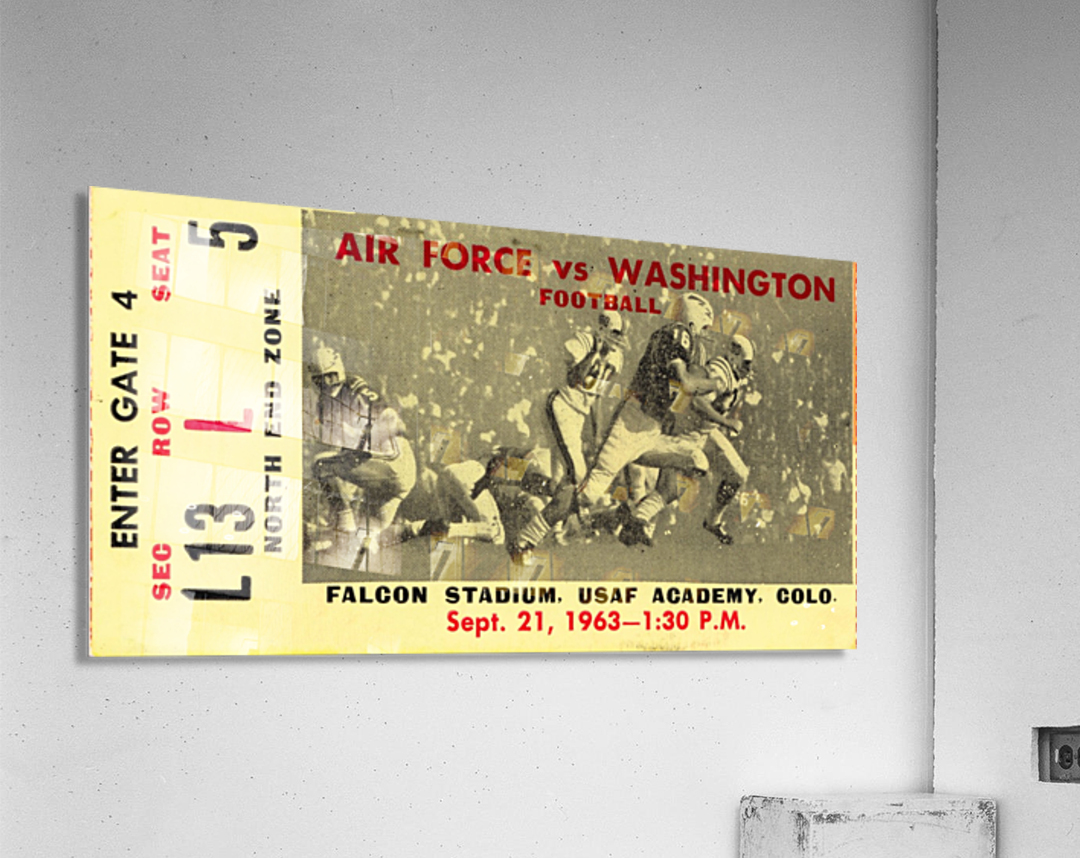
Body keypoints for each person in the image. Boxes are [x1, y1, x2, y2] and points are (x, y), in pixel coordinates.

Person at [514, 294, 722, 552]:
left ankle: (636, 521)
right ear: (692, 320)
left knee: (694, 463)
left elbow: (685, 394)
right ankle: (527, 537)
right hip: (632, 424)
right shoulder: (676, 334)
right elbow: (688, 384)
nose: (705, 333)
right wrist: (715, 383)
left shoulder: (689, 345)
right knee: (586, 494)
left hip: (654, 428)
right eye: (704, 326)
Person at [305, 346, 417, 569]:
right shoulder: (325, 403)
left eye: (331, 376)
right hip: (394, 478)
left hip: (394, 461)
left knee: (321, 465)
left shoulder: (355, 387)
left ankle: (344, 522)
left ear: (340, 371)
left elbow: (390, 418)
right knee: (366, 537)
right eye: (321, 379)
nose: (327, 384)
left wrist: (367, 438)